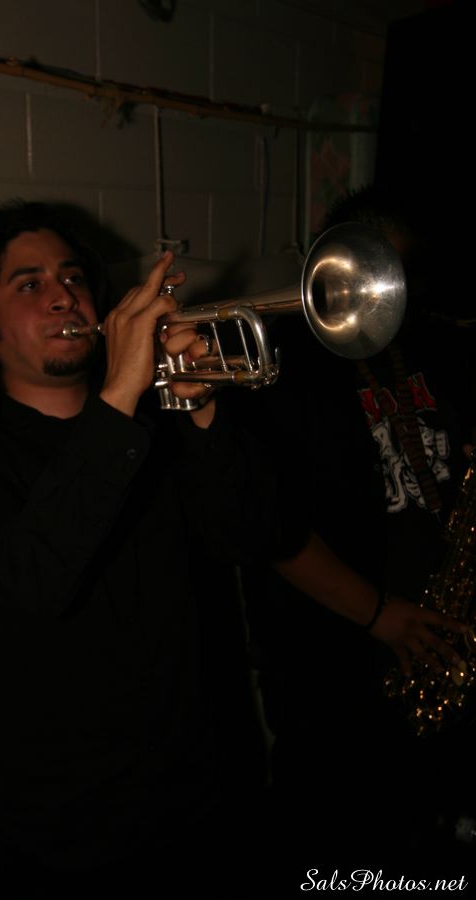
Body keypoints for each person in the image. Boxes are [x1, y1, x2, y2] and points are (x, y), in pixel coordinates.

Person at [0, 198, 464, 895]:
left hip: (207, 804)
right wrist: (120, 391)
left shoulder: (156, 422)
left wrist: (199, 405)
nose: (64, 296)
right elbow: (32, 583)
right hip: (65, 830)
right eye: (30, 284)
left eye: (73, 277)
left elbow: (259, 535)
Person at [239, 185, 476, 876]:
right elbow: (268, 527)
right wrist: (380, 616)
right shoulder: (279, 362)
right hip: (332, 672)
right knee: (335, 848)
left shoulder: (436, 342)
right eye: (366, 274)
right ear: (329, 264)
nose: (379, 298)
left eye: (395, 279)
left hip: (436, 642)